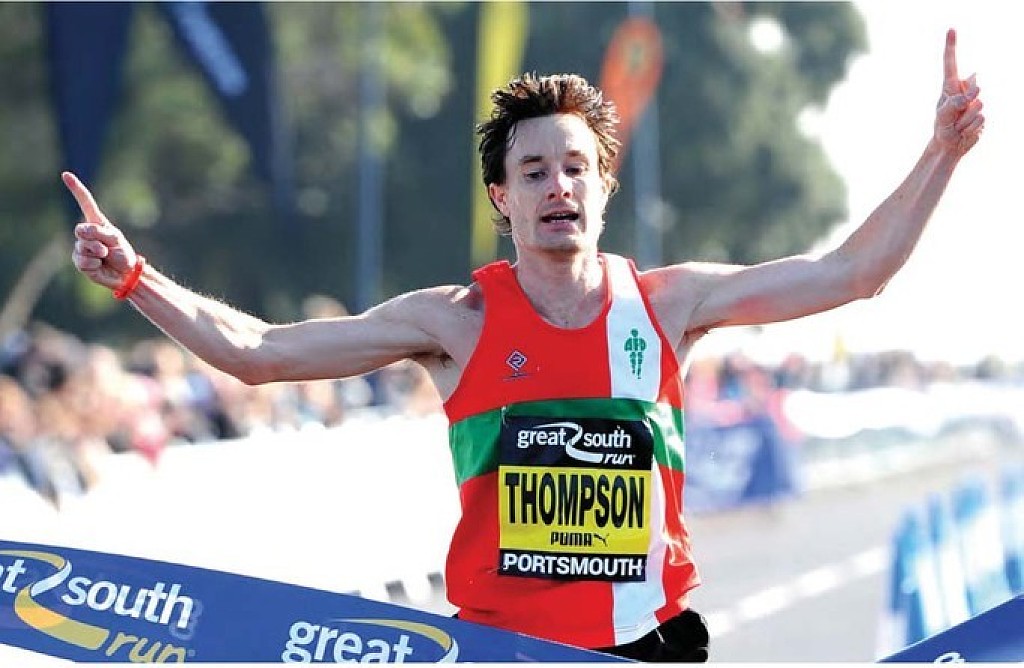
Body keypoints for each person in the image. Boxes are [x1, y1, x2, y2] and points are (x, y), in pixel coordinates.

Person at [64, 29, 983, 662]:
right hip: (504, 651)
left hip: (650, 643)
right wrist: (136, 278)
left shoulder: (670, 305)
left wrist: (940, 152)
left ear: (604, 188)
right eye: (534, 171)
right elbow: (260, 350)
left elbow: (851, 272)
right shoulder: (455, 321)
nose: (558, 188)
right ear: (502, 198)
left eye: (576, 168)